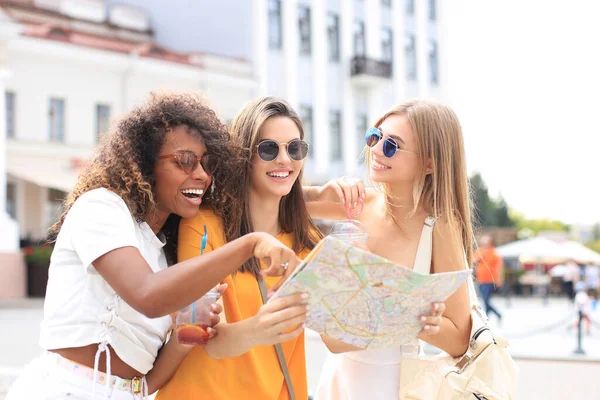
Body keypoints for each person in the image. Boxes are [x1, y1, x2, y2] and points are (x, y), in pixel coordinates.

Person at [6, 93, 301, 400]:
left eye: (207, 163)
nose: (200, 174)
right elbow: (147, 294)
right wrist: (250, 245)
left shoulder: (162, 255)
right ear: (146, 164)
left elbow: (146, 382)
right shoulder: (101, 208)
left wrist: (190, 331)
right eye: (185, 160)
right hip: (66, 389)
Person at [305, 99, 473, 399]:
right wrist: (320, 192)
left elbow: (461, 340)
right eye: (374, 137)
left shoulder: (439, 227)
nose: (377, 150)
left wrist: (419, 320)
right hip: (337, 382)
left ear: (429, 163)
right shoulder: (358, 204)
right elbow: (275, 202)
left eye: (392, 145)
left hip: (394, 386)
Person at [156, 97, 323, 400]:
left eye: (295, 148)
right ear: (245, 156)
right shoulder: (204, 227)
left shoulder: (306, 240)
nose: (285, 160)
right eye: (269, 149)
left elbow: (339, 339)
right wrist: (264, 325)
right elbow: (212, 340)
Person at [474, 235, 504, 323]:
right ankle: (496, 315)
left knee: (485, 300)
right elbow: (473, 260)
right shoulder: (480, 251)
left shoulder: (494, 252)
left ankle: (487, 317)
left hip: (490, 280)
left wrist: (499, 280)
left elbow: (499, 268)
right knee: (485, 300)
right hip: (481, 280)